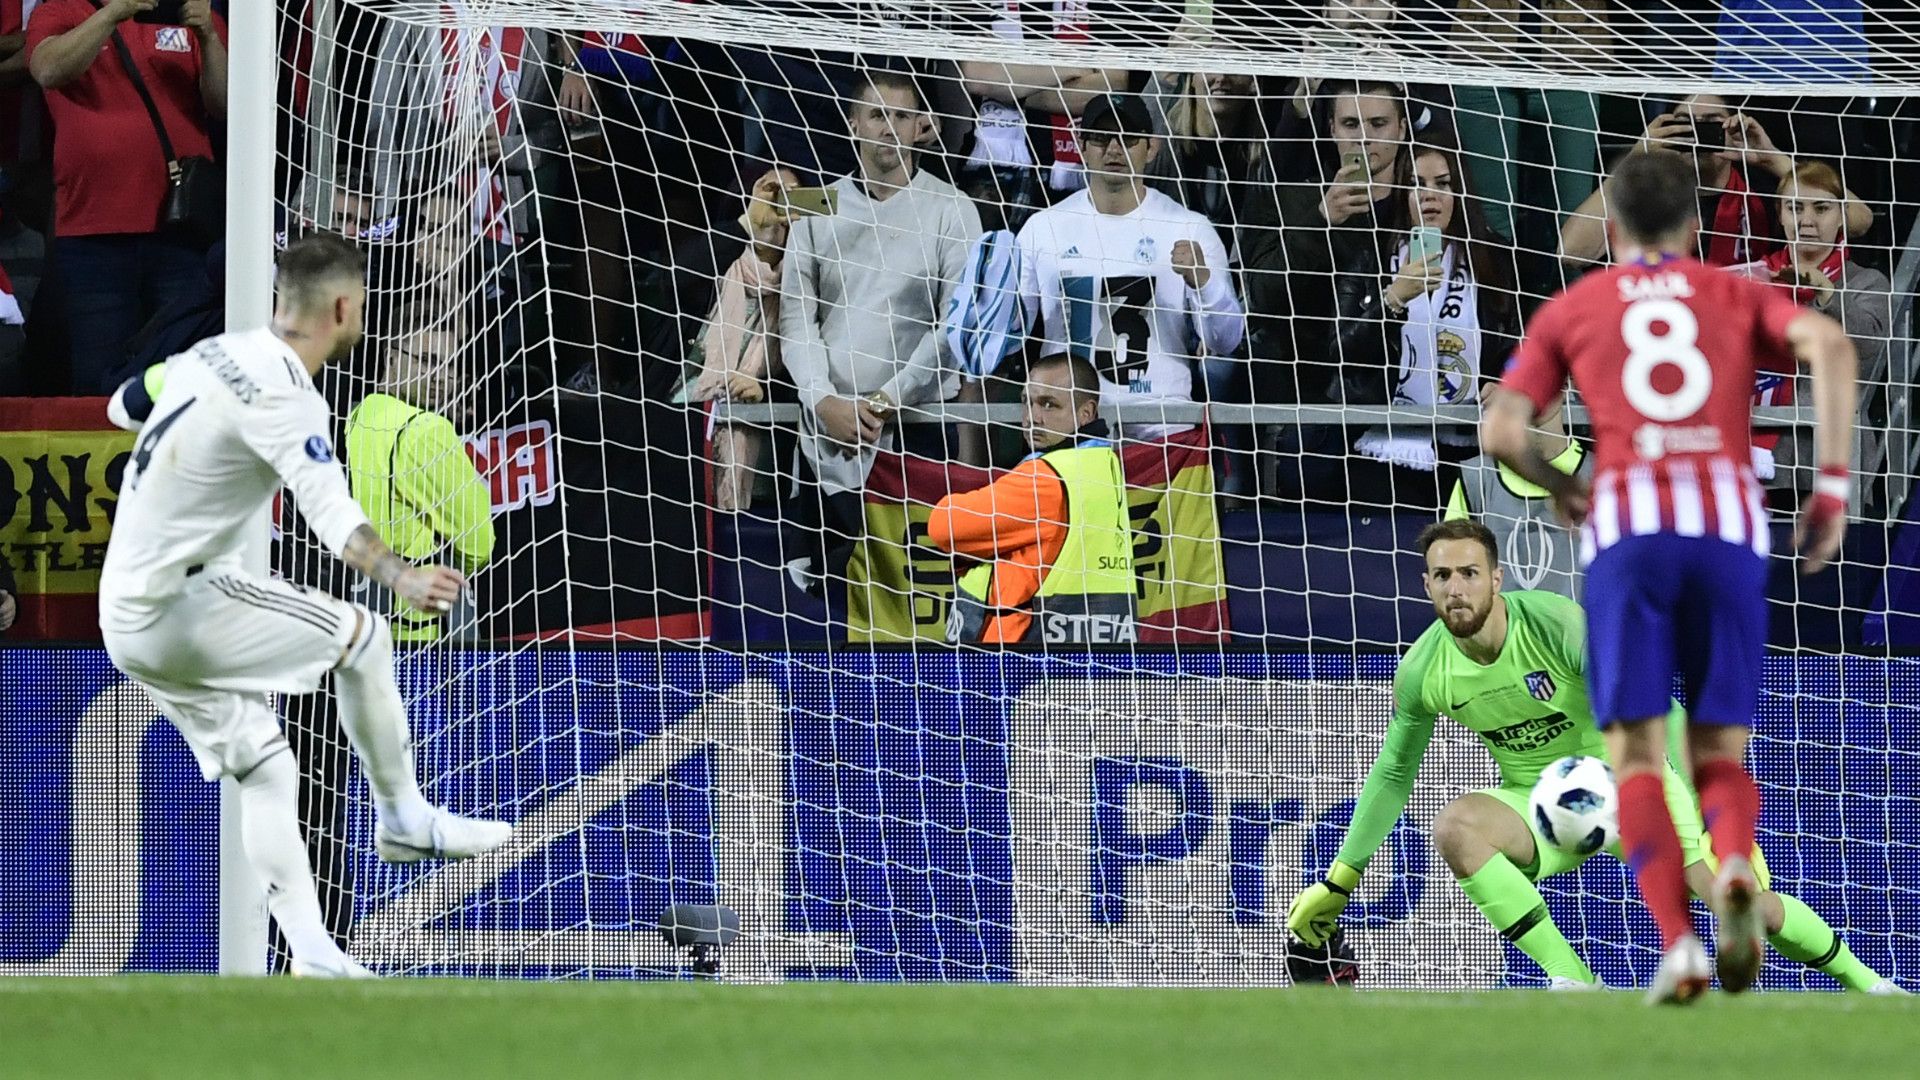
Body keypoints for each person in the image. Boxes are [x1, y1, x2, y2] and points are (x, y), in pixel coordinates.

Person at [1483, 150, 1857, 1004]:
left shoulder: (1576, 306)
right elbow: (1831, 346)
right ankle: (1735, 866)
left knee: (1637, 756)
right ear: (1695, 225)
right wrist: (1832, 486)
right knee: (1719, 751)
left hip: (1630, 532)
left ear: (1613, 225)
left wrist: (1562, 487)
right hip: (1726, 527)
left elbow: (1502, 430)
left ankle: (1680, 947)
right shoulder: (1733, 291)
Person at [98, 234, 511, 979]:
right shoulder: (288, 395)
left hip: (125, 612)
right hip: (183, 603)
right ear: (345, 308)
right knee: (364, 634)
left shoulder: (211, 355)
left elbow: (122, 405)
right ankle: (404, 817)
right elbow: (334, 519)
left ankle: (314, 956)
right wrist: (403, 576)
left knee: (266, 767)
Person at [1285, 520, 1900, 994]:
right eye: (1442, 576)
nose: (1456, 588)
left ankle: (1871, 986)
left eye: (1469, 572)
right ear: (1426, 585)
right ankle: (1575, 982)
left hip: (1637, 778)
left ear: (1497, 579)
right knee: (1456, 827)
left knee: (1738, 906)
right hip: (1543, 806)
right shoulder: (1423, 670)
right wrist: (1341, 880)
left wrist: (1703, 818)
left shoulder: (1557, 627)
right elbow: (1394, 773)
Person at [778, 69, 982, 593]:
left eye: (902, 116)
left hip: (916, 427)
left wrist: (887, 400)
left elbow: (953, 326)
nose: (889, 127)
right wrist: (822, 399)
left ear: (920, 127)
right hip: (827, 431)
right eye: (877, 115)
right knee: (829, 601)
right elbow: (796, 317)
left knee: (918, 599)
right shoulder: (814, 204)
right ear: (854, 125)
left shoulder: (953, 208)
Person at [1017, 92, 1244, 441]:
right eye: (1101, 137)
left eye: (1128, 138)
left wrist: (1203, 282)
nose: (1114, 149)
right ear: (1081, 145)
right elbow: (1008, 337)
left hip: (1162, 428)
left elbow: (1226, 341)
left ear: (1151, 148)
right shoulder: (1041, 229)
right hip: (1070, 431)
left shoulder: (1190, 228)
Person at [26, 0, 227, 392]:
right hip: (93, 233)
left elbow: (224, 106)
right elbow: (48, 70)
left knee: (188, 375)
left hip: (182, 230)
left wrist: (208, 35)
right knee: (99, 377)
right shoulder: (62, 9)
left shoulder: (191, 12)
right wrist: (113, 13)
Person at [1347, 139, 1518, 506]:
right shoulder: (1371, 256)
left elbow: (1523, 341)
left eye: (1443, 184)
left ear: (1460, 193)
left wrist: (1509, 381)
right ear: (1400, 193)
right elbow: (1342, 351)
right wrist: (1392, 300)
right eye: (1416, 184)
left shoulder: (1496, 258)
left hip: (1473, 442)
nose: (1430, 196)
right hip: (1391, 448)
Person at [926, 353, 1134, 645]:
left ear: (1086, 413)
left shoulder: (1046, 478)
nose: (1031, 417)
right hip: (1097, 651)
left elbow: (942, 525)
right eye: (1027, 402)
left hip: (1021, 655)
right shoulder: (1104, 463)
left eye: (1049, 404)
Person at [1558, 93, 1870, 269]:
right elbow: (1570, 252)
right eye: (1685, 124)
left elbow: (1860, 220)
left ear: (1734, 128)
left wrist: (1773, 159)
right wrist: (1635, 160)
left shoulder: (1765, 189)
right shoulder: (1646, 195)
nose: (1697, 135)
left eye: (1711, 124)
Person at [345, 312, 496, 643]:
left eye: (450, 365)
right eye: (427, 360)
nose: (440, 376)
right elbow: (479, 543)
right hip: (419, 634)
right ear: (391, 357)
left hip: (352, 626)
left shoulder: (354, 416)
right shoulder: (428, 430)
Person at [1748, 160, 1892, 491]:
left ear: (1842, 217)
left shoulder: (1867, 282)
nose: (1806, 220)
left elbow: (1868, 349)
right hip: (1751, 456)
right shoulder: (1751, 278)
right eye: (1794, 208)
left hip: (1829, 459)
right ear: (1780, 215)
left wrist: (1826, 295)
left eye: (1821, 208)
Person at [690, 168, 798, 514]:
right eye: (771, 194)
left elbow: (808, 376)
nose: (780, 207)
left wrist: (763, 390)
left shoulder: (806, 284)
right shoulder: (717, 266)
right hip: (683, 432)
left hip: (764, 451)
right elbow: (675, 279)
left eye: (792, 196)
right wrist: (749, 224)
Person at [1446, 394, 1590, 600]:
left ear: (1564, 385)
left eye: (1543, 379)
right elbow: (1451, 574)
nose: (1536, 392)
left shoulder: (1600, 475)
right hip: (1499, 621)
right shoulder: (1476, 477)